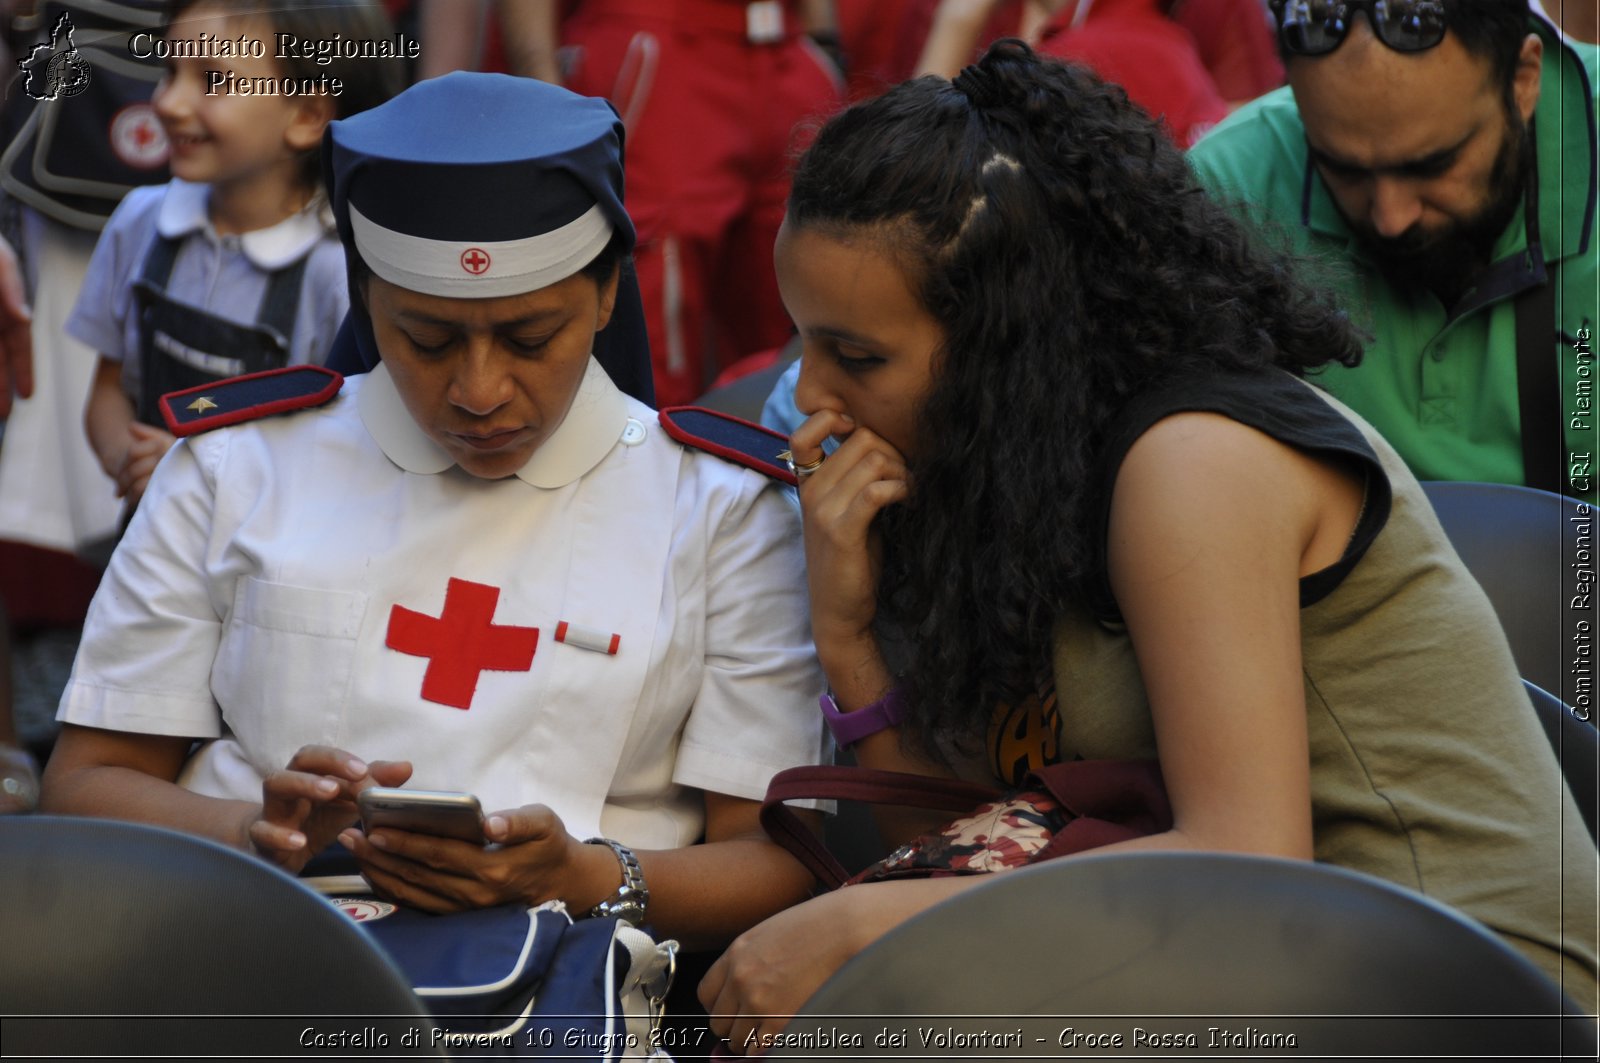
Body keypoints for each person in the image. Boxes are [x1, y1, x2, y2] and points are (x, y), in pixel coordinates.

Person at [699, 42, 1598, 1047]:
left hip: (1466, 997)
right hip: (1273, 969)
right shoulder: (1029, 477)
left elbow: (1245, 865)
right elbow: (971, 856)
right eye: (804, 340)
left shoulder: (1191, 465)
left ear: (1009, 333)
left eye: (856, 355)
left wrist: (852, 921)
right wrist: (850, 632)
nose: (811, 396)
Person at [40, 72, 825, 954]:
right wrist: (249, 831)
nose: (480, 392)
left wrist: (586, 877)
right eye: (427, 338)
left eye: (531, 339)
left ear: (607, 296)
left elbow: (777, 859)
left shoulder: (723, 509)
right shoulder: (232, 464)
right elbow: (89, 779)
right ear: (366, 299)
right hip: (251, 963)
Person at [1187, 0, 1597, 498]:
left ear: (1523, 80)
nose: (1391, 217)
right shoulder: (1221, 197)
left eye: (1431, 166)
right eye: (1343, 169)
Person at [68, 0, 402, 510]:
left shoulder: (338, 271)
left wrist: (197, 480)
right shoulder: (140, 222)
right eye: (171, 69)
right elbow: (109, 392)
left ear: (308, 115)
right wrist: (129, 461)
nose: (170, 102)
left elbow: (353, 453)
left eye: (213, 79)